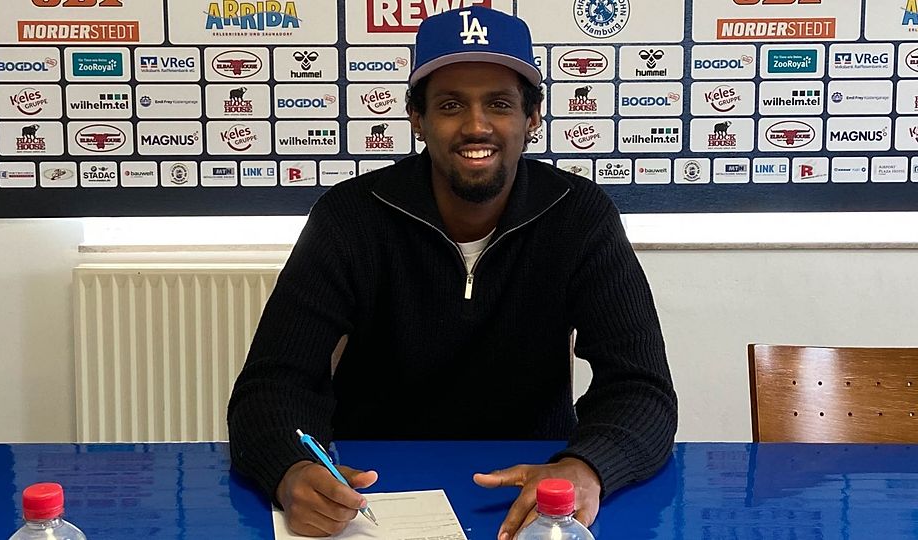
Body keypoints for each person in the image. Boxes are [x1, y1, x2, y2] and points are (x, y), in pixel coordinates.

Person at [228, 6, 677, 539]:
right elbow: (272, 384)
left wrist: (587, 466)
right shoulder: (349, 217)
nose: (476, 126)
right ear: (416, 118)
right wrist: (291, 469)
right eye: (450, 105)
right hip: (374, 498)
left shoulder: (579, 215)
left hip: (532, 499)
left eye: (499, 104)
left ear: (533, 117)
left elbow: (642, 388)